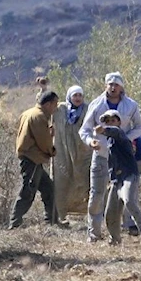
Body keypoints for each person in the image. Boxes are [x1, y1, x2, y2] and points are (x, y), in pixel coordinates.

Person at [79, 72, 141, 242]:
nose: (113, 87)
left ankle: (127, 226)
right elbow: (84, 129)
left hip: (123, 158)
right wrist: (90, 141)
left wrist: (125, 138)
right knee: (96, 194)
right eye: (110, 84)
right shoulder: (96, 105)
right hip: (101, 155)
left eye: (116, 84)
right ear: (106, 85)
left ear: (122, 86)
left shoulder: (130, 105)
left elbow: (139, 127)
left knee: (125, 194)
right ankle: (94, 232)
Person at [95, 110, 141, 248]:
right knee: (110, 213)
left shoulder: (121, 135)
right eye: (107, 121)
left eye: (113, 120)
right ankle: (115, 239)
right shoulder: (110, 142)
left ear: (119, 122)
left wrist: (104, 129)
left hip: (129, 176)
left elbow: (114, 131)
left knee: (129, 201)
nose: (110, 123)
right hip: (117, 180)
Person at [9, 91, 59, 230]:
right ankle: (14, 223)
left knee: (48, 188)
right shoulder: (40, 117)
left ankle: (52, 221)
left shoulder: (28, 113)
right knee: (28, 191)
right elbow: (43, 141)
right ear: (48, 104)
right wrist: (52, 150)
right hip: (32, 158)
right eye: (54, 105)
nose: (55, 108)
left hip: (32, 158)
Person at [52, 85, 91, 223]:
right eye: (75, 95)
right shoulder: (60, 109)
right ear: (69, 96)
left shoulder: (88, 109)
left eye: (80, 95)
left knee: (87, 182)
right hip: (62, 153)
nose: (78, 98)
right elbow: (44, 105)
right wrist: (43, 90)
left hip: (83, 153)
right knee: (61, 183)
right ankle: (60, 215)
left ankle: (92, 215)